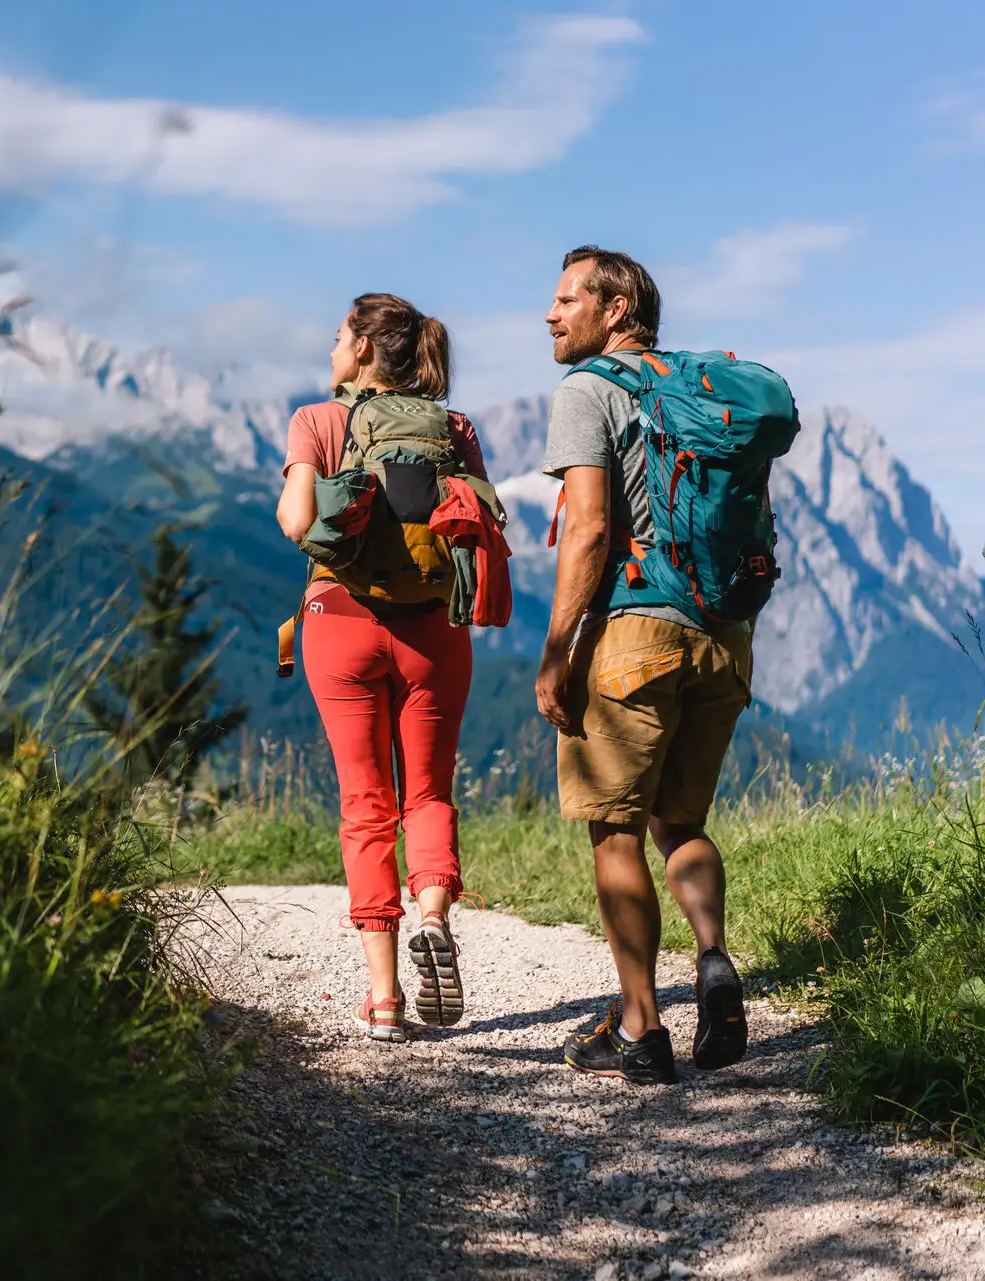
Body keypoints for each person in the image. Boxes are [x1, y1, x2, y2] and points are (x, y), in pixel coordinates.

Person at [535, 247, 752, 1085]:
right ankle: (714, 958)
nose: (550, 316)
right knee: (682, 824)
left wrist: (559, 651)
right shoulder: (700, 389)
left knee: (616, 827)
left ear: (615, 309)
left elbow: (588, 529)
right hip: (721, 635)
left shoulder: (587, 390)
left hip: (634, 634)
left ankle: (640, 1028)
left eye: (564, 301)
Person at [276, 293, 489, 1042]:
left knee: (366, 802)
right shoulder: (453, 427)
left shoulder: (319, 419)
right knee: (427, 792)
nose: (331, 350)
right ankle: (433, 912)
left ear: (365, 349)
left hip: (340, 625)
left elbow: (299, 523)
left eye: (338, 338)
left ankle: (385, 997)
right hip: (433, 629)